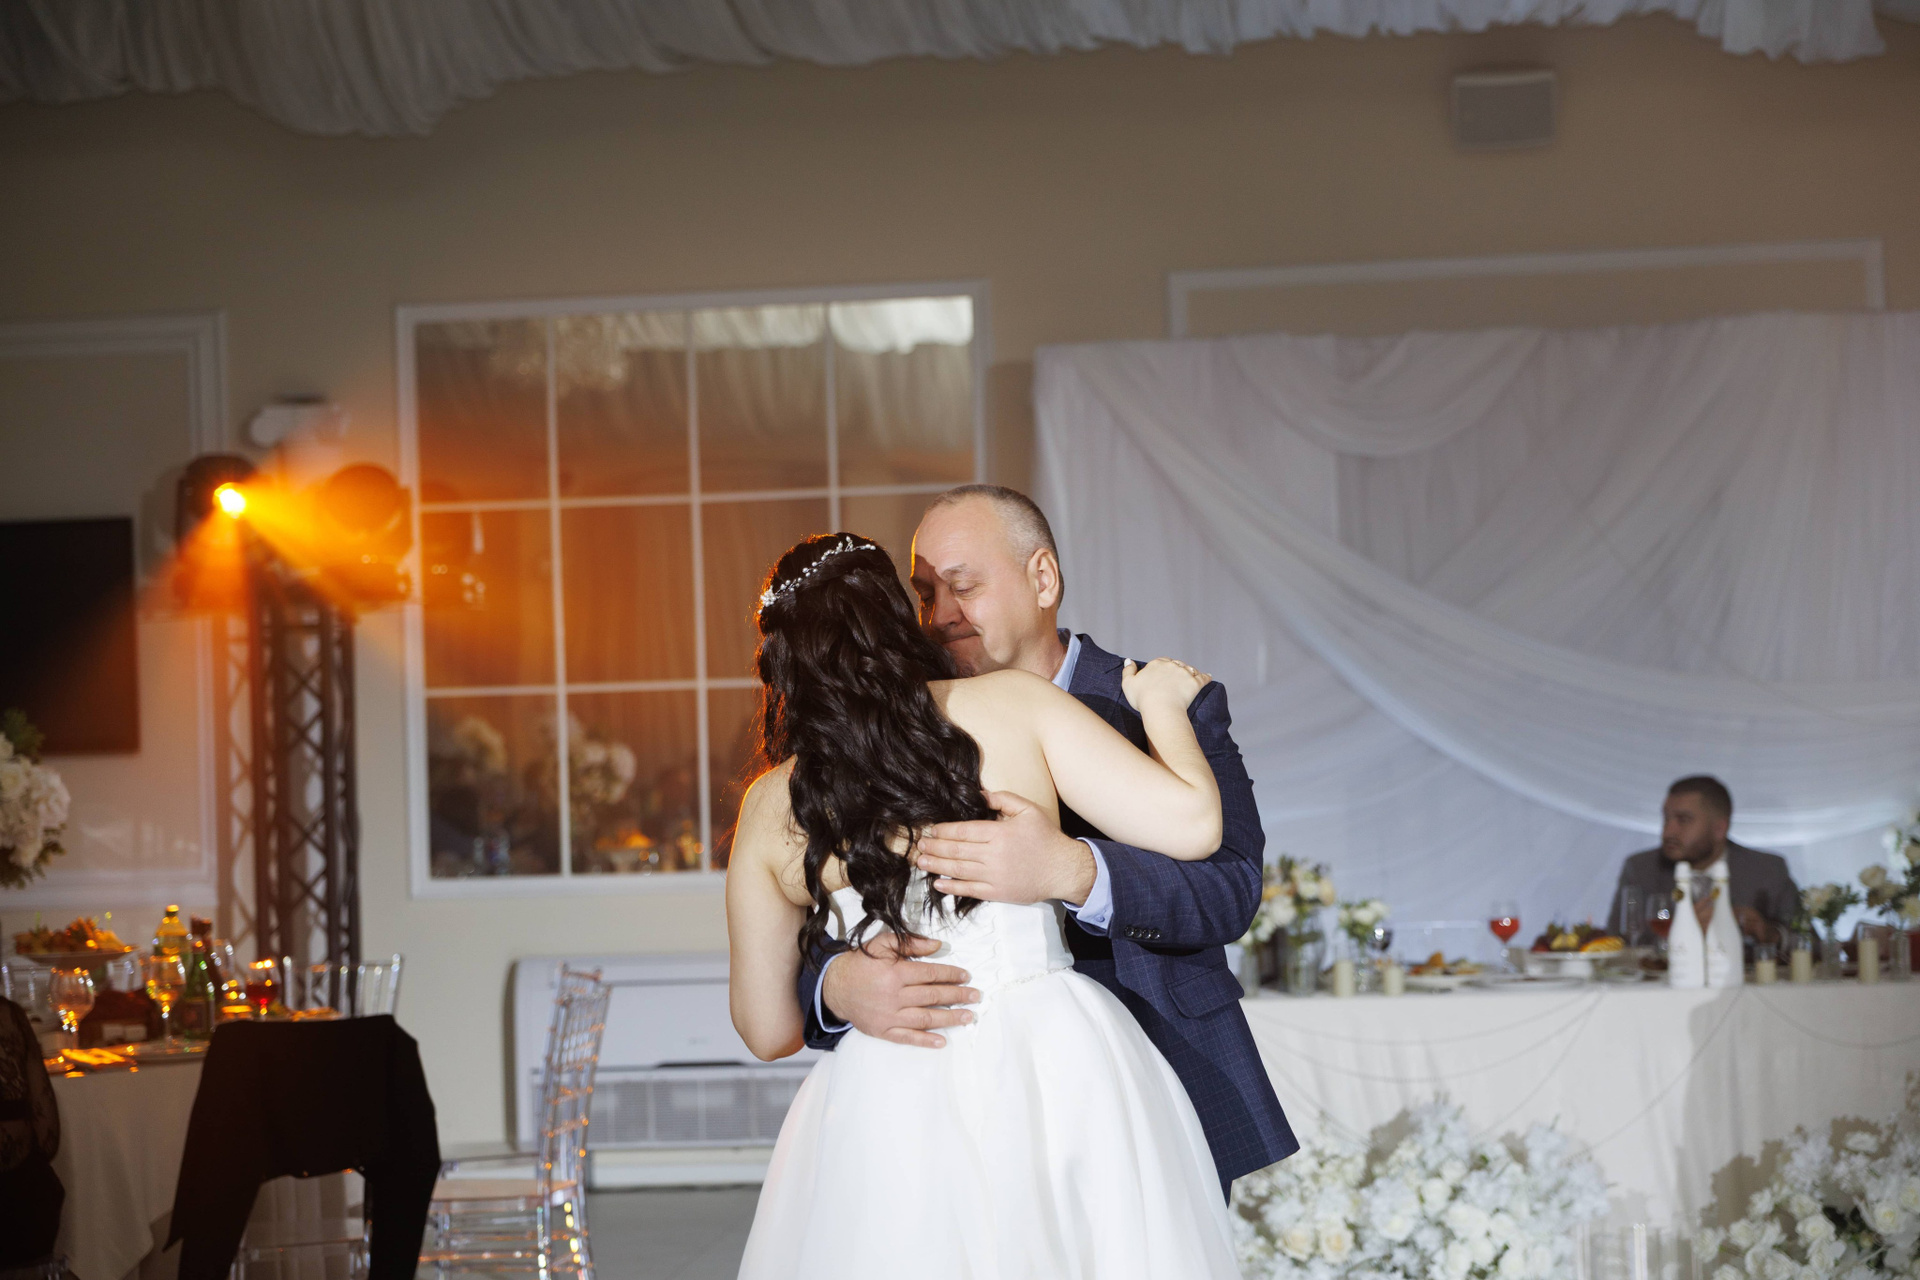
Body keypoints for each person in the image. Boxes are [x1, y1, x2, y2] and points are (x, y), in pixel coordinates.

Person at [727, 531, 1244, 1278]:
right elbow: (1195, 825)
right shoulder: (1011, 706)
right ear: (898, 617)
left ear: (780, 657)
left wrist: (838, 976)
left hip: (887, 1085)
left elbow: (766, 1027)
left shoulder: (769, 804)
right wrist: (1162, 705)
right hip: (1056, 1058)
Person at [797, 485, 1293, 1196]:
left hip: (1158, 1064)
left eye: (963, 586)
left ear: (1043, 579)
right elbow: (807, 893)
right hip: (952, 1095)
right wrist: (836, 984)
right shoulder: (888, 722)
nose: (939, 616)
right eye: (925, 594)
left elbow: (1230, 890)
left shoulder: (1156, 702)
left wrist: (1074, 871)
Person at [1605, 776, 1799, 943]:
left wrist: (1770, 934)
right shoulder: (1641, 869)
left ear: (1719, 829)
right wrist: (1682, 932)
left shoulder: (1766, 870)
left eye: (1683, 820)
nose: (1668, 831)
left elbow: (1806, 941)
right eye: (1666, 819)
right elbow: (1618, 941)